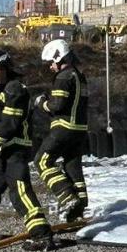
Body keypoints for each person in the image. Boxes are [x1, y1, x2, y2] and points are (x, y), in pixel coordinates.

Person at [0, 49, 52, 249]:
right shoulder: (0, 91)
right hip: (2, 150)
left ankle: (42, 235)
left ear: (5, 69)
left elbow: (10, 123)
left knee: (20, 192)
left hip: (15, 149)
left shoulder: (15, 89)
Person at [36, 38, 90, 223]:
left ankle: (67, 197)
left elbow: (57, 105)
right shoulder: (80, 76)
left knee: (42, 162)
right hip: (80, 130)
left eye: (51, 62)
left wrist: (41, 103)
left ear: (59, 59)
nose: (50, 67)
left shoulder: (63, 77)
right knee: (72, 166)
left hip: (63, 129)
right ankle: (79, 208)